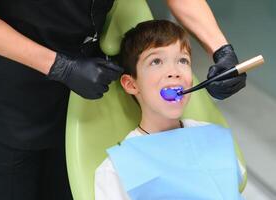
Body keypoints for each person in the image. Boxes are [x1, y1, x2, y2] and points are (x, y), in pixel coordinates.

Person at [0, 0, 246, 199]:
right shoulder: (113, 174)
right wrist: (60, 67)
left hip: (88, 93)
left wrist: (221, 49)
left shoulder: (205, 140)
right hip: (17, 95)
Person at [95, 20, 243, 199]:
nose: (174, 71)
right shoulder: (116, 170)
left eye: (183, 60)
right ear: (131, 84)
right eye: (156, 61)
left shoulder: (214, 139)